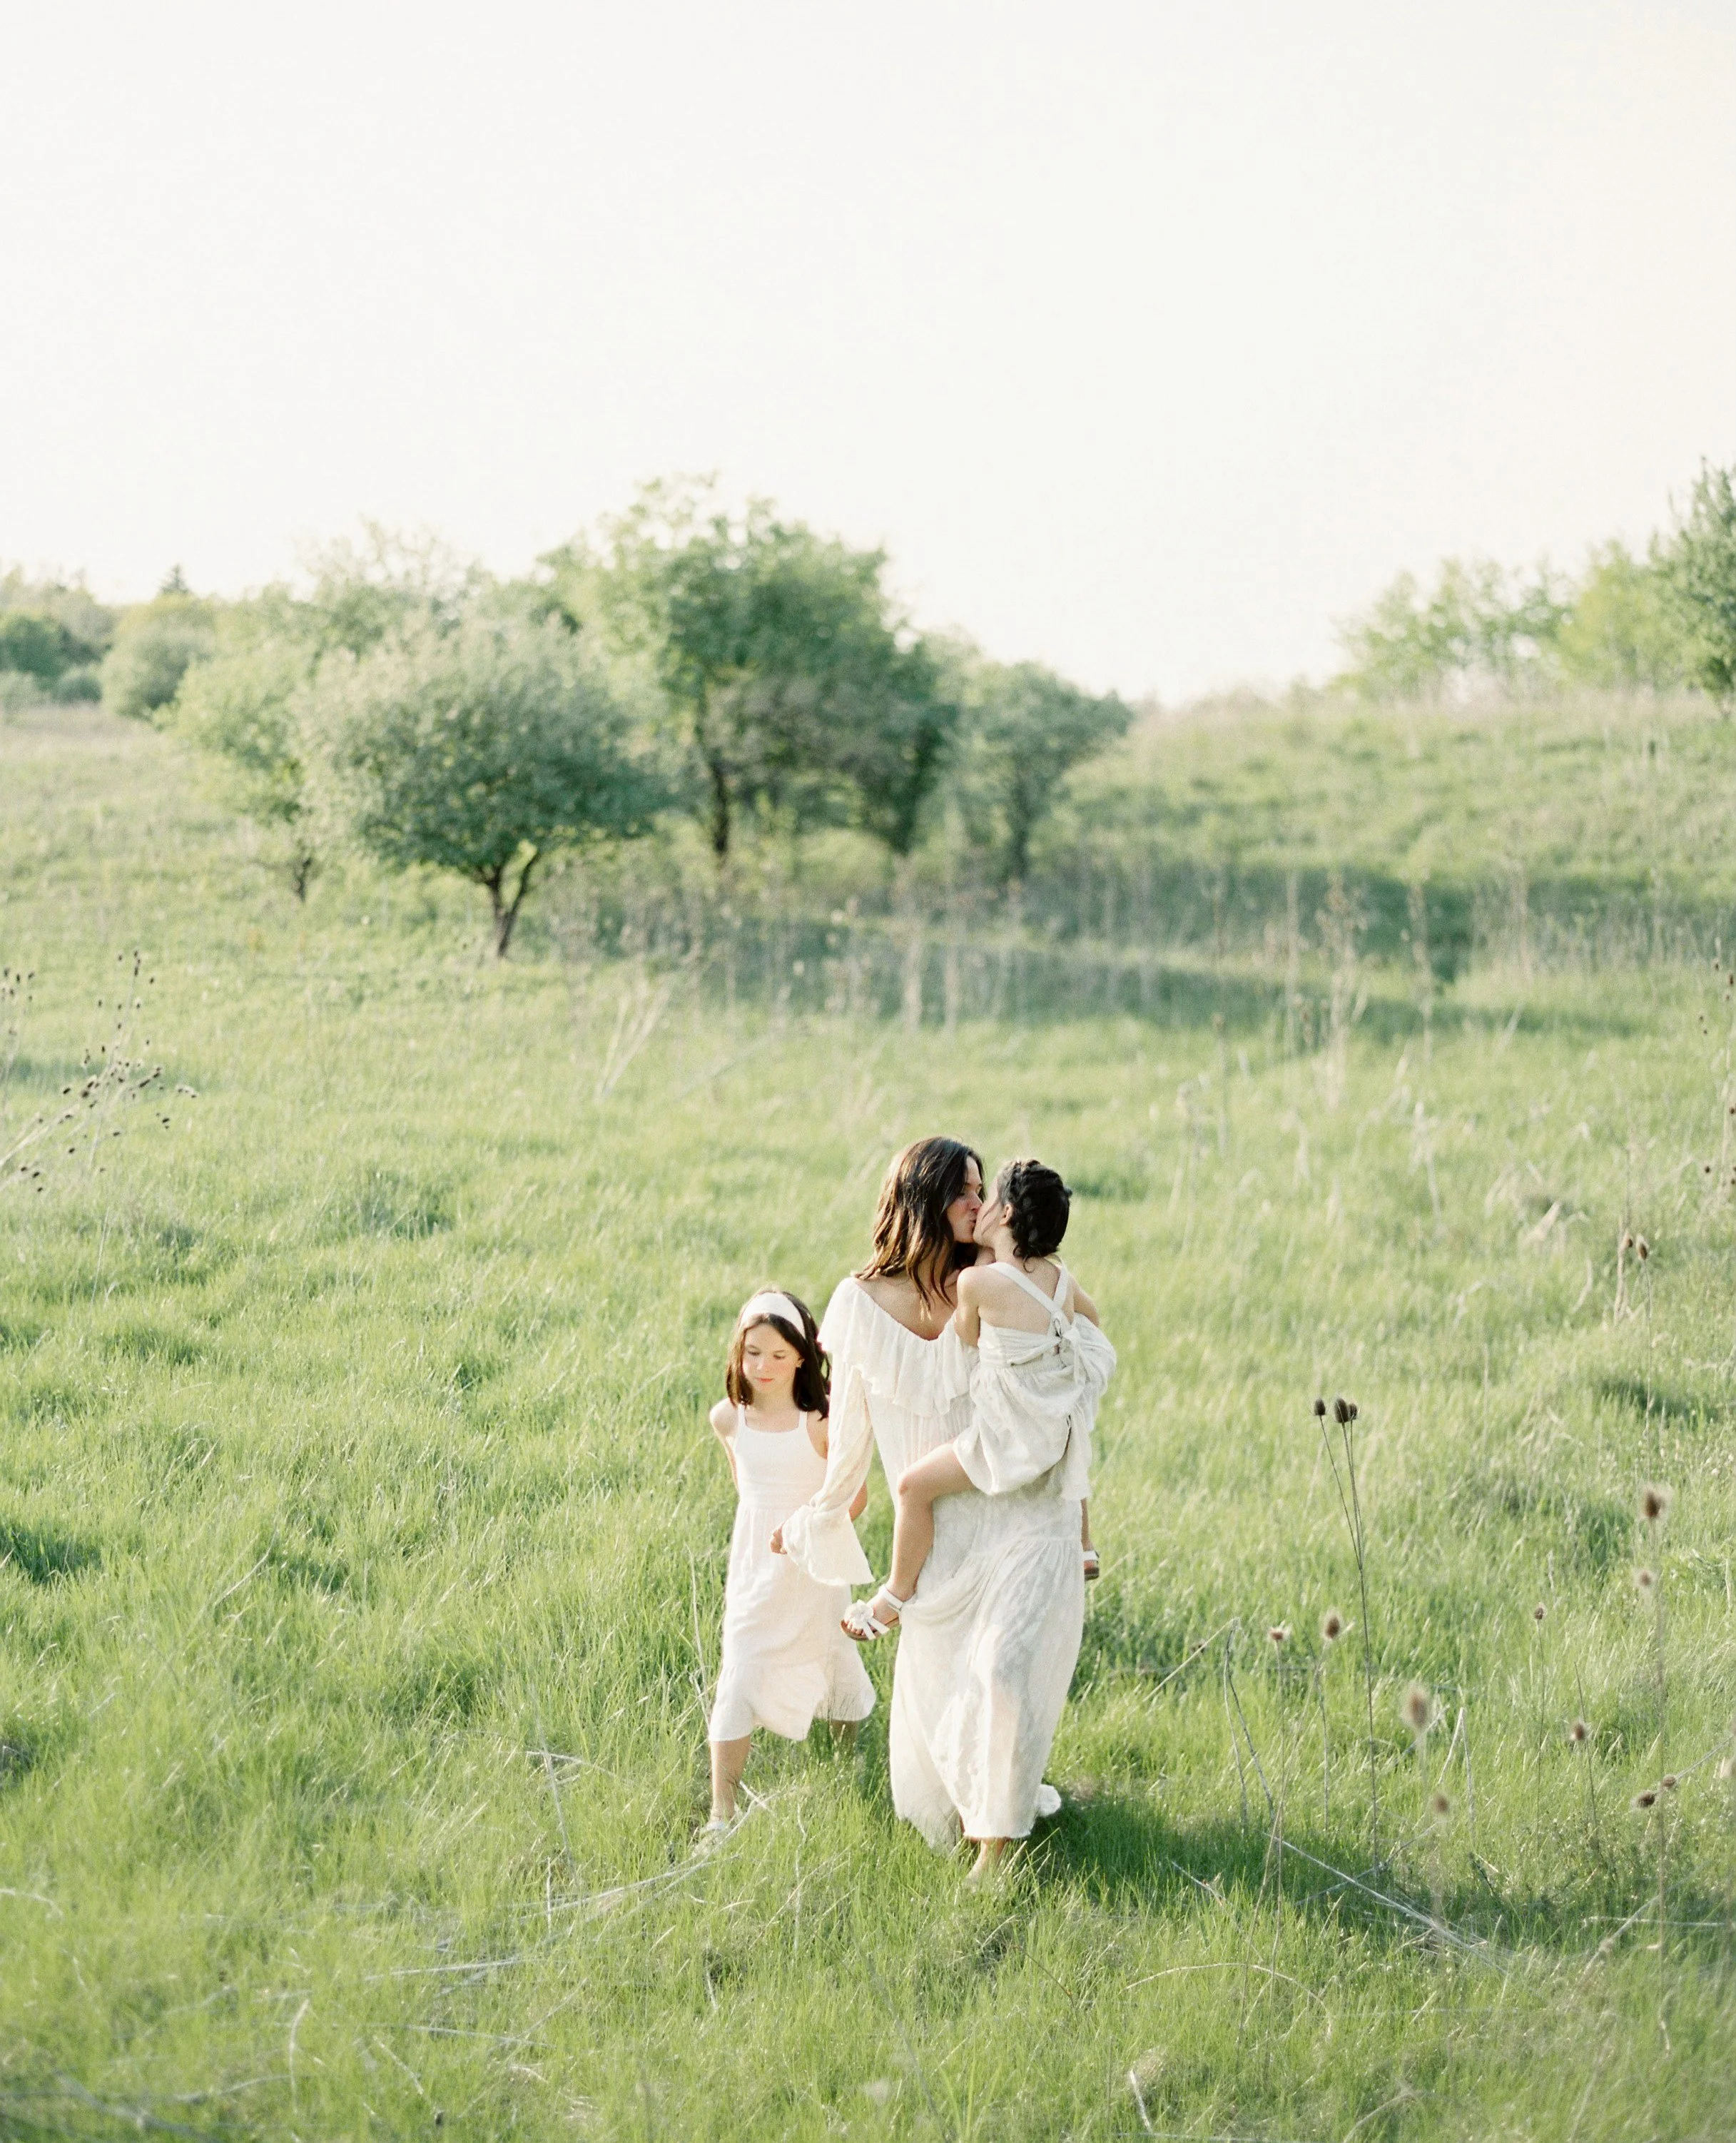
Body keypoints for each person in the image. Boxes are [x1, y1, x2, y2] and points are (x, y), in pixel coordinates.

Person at [779, 1138, 1088, 1877]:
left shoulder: (991, 1278)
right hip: (931, 1541)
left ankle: (998, 1853)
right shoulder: (858, 1302)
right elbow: (851, 1426)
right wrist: (825, 1508)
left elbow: (1064, 1379)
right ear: (924, 1195)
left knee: (1002, 1675)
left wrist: (1078, 1523)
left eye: (986, 1193)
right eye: (966, 1192)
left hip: (1008, 1516)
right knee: (942, 1711)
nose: (980, 1207)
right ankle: (979, 1818)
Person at [842, 1157, 1113, 1642]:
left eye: (984, 1196)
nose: (977, 1205)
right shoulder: (1057, 1276)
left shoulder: (976, 1282)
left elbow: (964, 1335)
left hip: (1002, 1437)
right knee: (1072, 1432)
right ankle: (1084, 1545)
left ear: (1003, 1213)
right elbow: (1088, 1320)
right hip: (1054, 1424)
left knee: (911, 1486)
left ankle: (894, 1595)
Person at [703, 1289, 873, 1835]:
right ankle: (721, 1811)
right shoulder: (729, 1419)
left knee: (831, 1658)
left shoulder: (819, 1421)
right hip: (755, 1570)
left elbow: (857, 1496)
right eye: (753, 1352)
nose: (764, 1366)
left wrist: (802, 1529)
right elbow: (746, 1491)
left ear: (802, 1355)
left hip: (814, 1568)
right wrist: (769, 1534)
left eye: (779, 1355)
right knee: (741, 1670)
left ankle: (847, 1768)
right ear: (738, 1352)